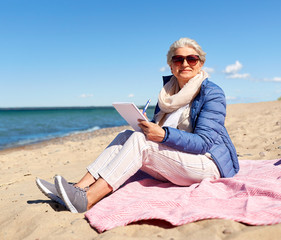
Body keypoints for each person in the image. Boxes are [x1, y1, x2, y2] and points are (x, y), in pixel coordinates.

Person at [36, 37, 239, 213]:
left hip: (207, 163)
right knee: (127, 135)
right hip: (181, 158)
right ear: (171, 65)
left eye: (191, 58)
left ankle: (88, 199)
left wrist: (163, 135)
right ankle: (78, 188)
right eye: (178, 59)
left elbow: (203, 142)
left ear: (201, 63)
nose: (185, 63)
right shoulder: (168, 94)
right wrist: (147, 124)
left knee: (140, 142)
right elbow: (165, 129)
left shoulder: (212, 93)